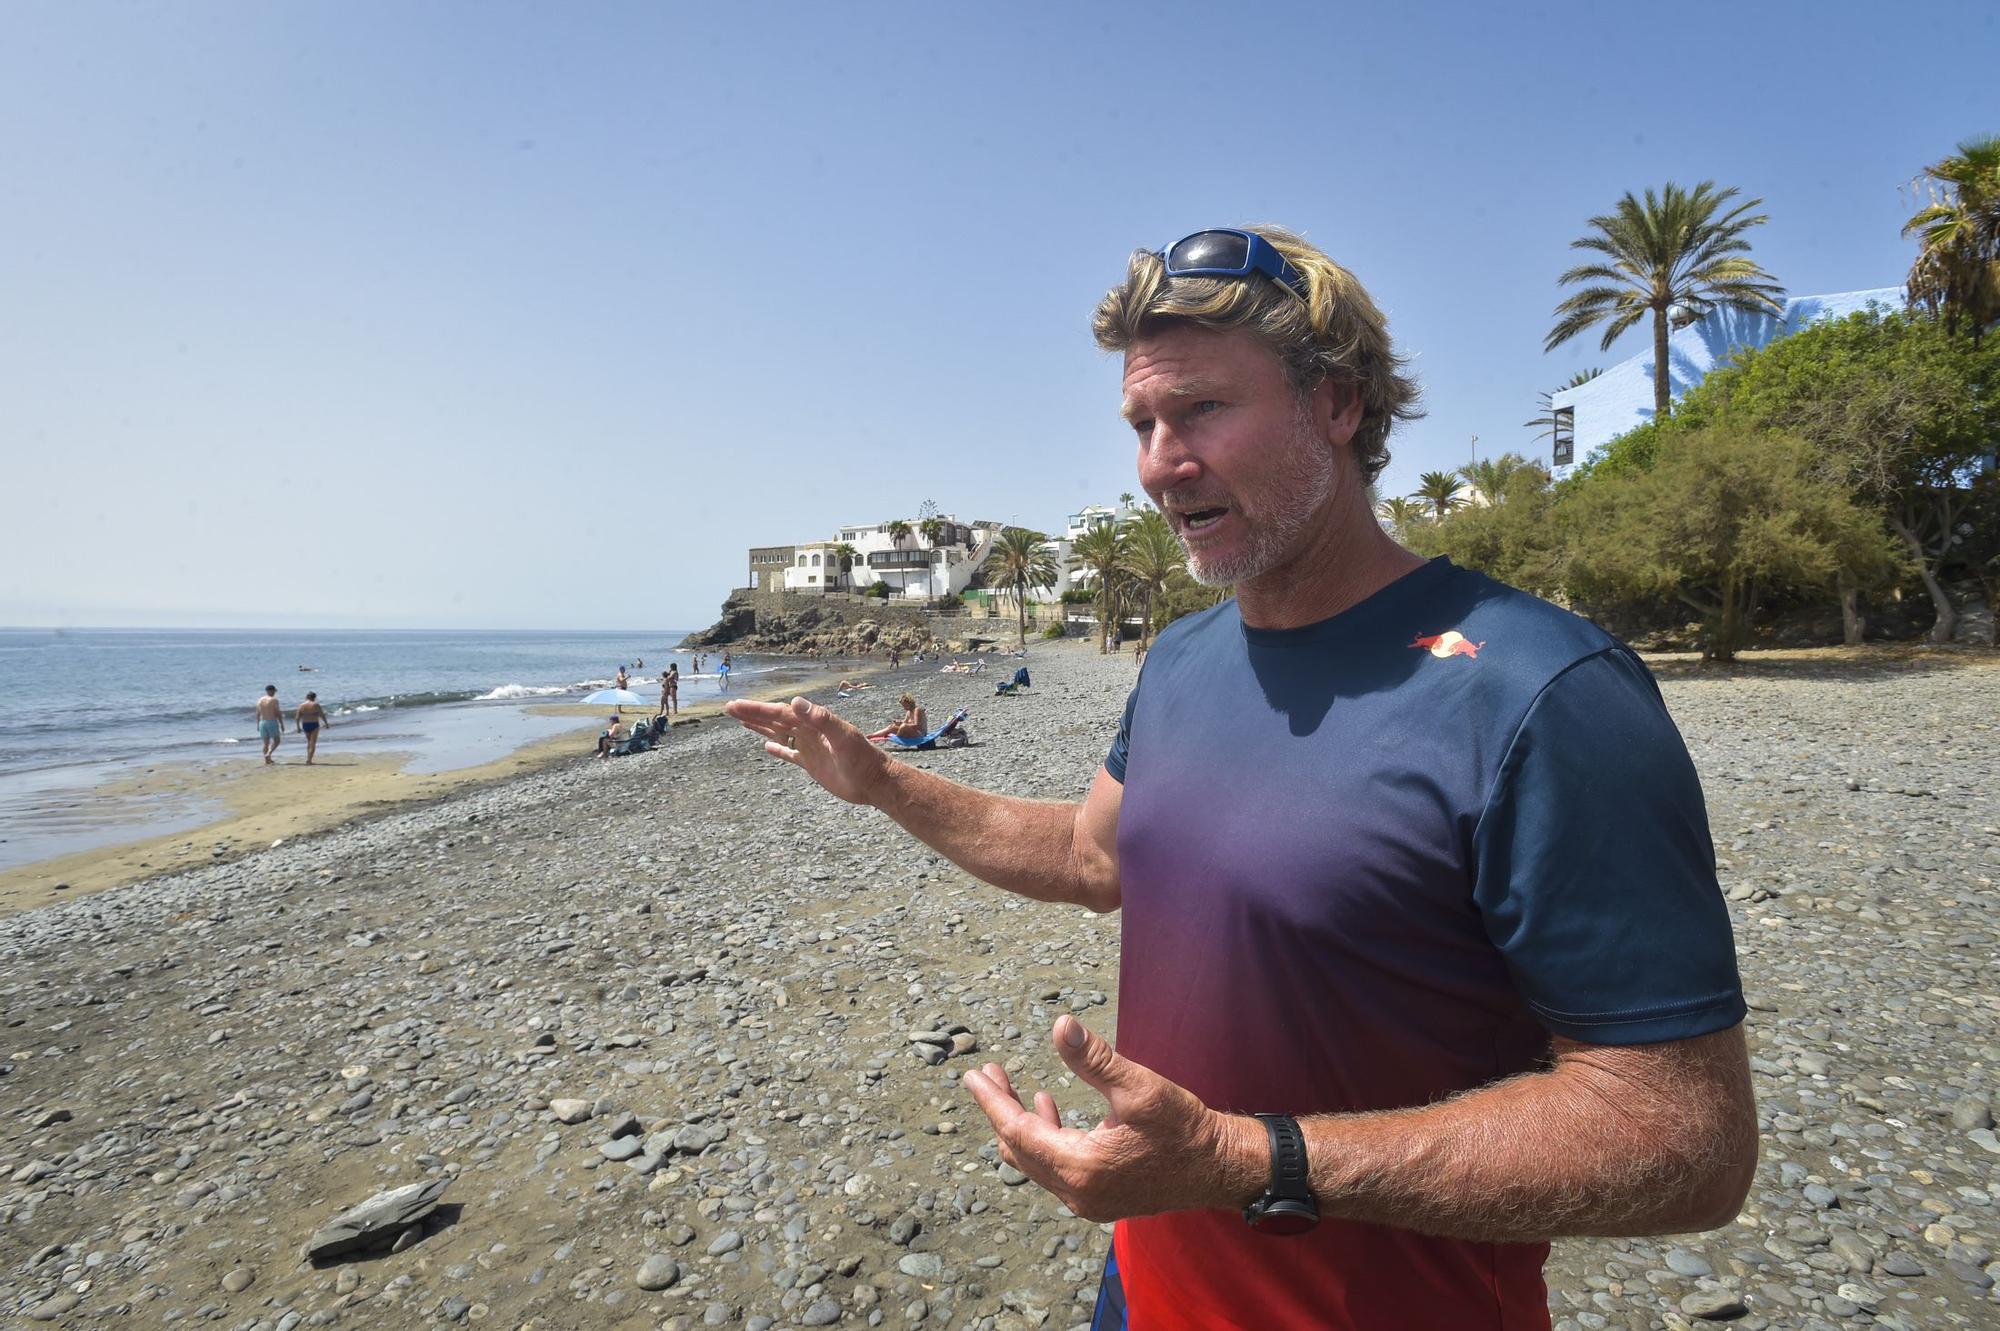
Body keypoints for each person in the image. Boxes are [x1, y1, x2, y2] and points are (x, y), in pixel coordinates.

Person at [729, 225, 1753, 1331]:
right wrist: (886, 783)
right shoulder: (1180, 657)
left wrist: (1242, 1159)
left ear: (1339, 406)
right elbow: (1093, 853)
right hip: (1147, 1284)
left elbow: (1685, 1139)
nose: (1161, 460)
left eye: (1202, 410)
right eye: (1141, 422)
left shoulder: (1541, 692)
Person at [295, 691, 331, 764]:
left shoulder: (301, 705)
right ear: (314, 698)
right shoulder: (316, 705)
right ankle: (309, 760)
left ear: (307, 697)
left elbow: (297, 717)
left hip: (305, 724)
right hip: (314, 724)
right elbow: (322, 715)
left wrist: (298, 727)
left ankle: (308, 758)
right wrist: (326, 723)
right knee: (313, 743)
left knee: (309, 742)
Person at [255, 685, 284, 764]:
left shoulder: (259, 700)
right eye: (274, 691)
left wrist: (257, 724)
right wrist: (281, 724)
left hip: (262, 722)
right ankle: (268, 754)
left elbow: (257, 713)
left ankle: (267, 760)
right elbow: (278, 713)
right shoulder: (274, 700)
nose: (274, 692)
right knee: (277, 740)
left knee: (266, 743)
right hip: (271, 721)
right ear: (271, 691)